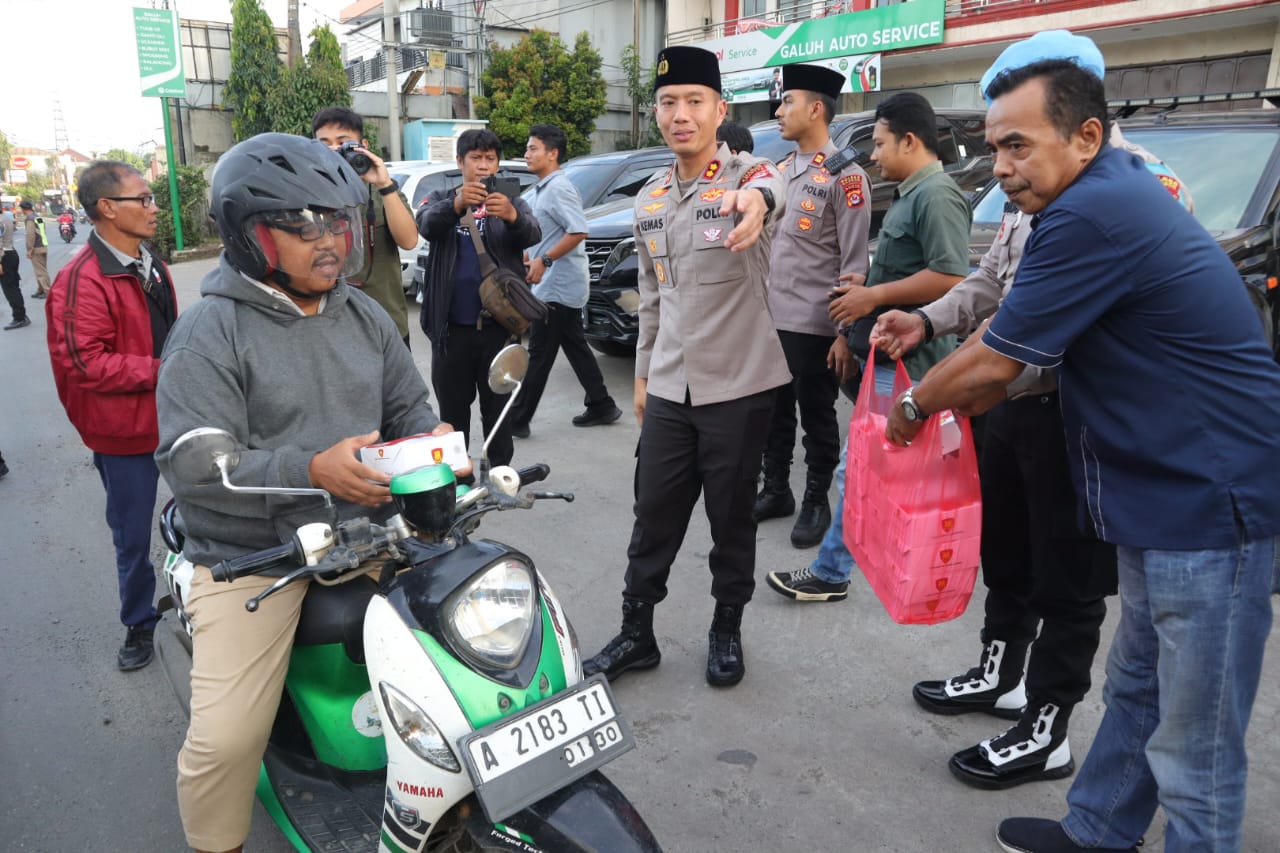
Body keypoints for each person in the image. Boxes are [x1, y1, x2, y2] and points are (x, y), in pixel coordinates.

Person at [880, 54, 1280, 853]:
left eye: (1019, 146)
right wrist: (940, 358)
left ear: (1086, 135)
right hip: (1156, 492)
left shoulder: (1097, 212)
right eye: (994, 147)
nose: (1000, 167)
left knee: (1194, 744)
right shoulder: (1091, 198)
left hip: (1210, 501)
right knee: (1136, 685)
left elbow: (998, 359)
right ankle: (1098, 829)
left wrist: (916, 404)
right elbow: (1008, 340)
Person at [154, 133, 449, 853]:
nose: (332, 240)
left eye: (339, 221)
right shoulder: (208, 333)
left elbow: (409, 403)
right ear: (252, 236)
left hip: (374, 532)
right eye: (304, 224)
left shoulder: (363, 313)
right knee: (226, 740)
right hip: (253, 557)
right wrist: (312, 470)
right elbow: (197, 464)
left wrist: (431, 444)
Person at [583, 45, 789, 689]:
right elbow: (651, 300)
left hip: (739, 385)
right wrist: (643, 379)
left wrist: (757, 204)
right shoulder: (649, 201)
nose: (681, 115)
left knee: (730, 519)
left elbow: (770, 186)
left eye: (695, 101)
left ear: (718, 109)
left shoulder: (747, 176)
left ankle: (725, 629)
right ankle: (637, 632)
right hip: (671, 386)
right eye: (669, 103)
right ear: (657, 113)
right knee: (654, 513)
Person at [766, 91, 970, 602]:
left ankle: (835, 571)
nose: (873, 155)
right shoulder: (911, 192)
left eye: (879, 144)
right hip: (888, 355)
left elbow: (951, 276)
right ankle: (843, 567)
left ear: (909, 139)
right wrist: (868, 282)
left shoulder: (936, 195)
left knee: (859, 468)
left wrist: (874, 294)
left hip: (912, 363)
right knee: (870, 469)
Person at [46, 161, 178, 671]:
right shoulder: (82, 280)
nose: (152, 207)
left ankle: (206, 605)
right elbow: (86, 363)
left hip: (173, 416)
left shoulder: (153, 263)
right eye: (141, 199)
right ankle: (139, 623)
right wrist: (165, 370)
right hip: (123, 433)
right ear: (107, 208)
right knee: (131, 534)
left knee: (209, 514)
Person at [753, 63, 871, 549]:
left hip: (815, 324)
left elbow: (854, 264)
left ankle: (817, 499)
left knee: (816, 415)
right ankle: (777, 488)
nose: (779, 112)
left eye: (787, 102)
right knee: (773, 412)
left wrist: (845, 333)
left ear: (816, 109)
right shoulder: (779, 173)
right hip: (770, 318)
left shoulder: (847, 177)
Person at [418, 128, 540, 469]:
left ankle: (499, 473)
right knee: (452, 416)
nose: (484, 166)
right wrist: (457, 204)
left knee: (498, 411)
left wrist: (513, 218)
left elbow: (533, 232)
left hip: (499, 330)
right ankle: (458, 479)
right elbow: (425, 225)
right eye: (476, 158)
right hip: (450, 332)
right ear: (460, 162)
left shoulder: (511, 201)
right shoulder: (441, 196)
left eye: (490, 159)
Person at [508, 124, 621, 438]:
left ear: (552, 154)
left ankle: (517, 419)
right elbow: (553, 233)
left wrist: (545, 260)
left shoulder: (559, 187)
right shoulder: (545, 188)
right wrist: (533, 256)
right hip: (553, 282)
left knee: (540, 353)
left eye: (533, 149)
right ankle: (602, 404)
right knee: (574, 345)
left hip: (559, 285)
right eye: (528, 148)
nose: (527, 154)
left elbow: (578, 230)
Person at [312, 106, 416, 347]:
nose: (334, 150)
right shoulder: (309, 195)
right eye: (324, 143)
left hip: (386, 324)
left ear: (363, 146)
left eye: (342, 142)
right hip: (329, 330)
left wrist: (384, 184)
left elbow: (409, 240)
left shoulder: (383, 193)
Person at [0, 205, 28, 329]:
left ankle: (19, 317)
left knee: (9, 288)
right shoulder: (5, 217)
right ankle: (21, 315)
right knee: (13, 286)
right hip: (10, 253)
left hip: (4, 256)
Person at [21, 200, 51, 298]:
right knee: (41, 269)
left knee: (40, 271)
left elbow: (30, 235)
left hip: (36, 248)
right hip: (43, 245)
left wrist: (29, 250)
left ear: (24, 209)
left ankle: (47, 290)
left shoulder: (30, 219)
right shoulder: (38, 217)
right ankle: (40, 289)